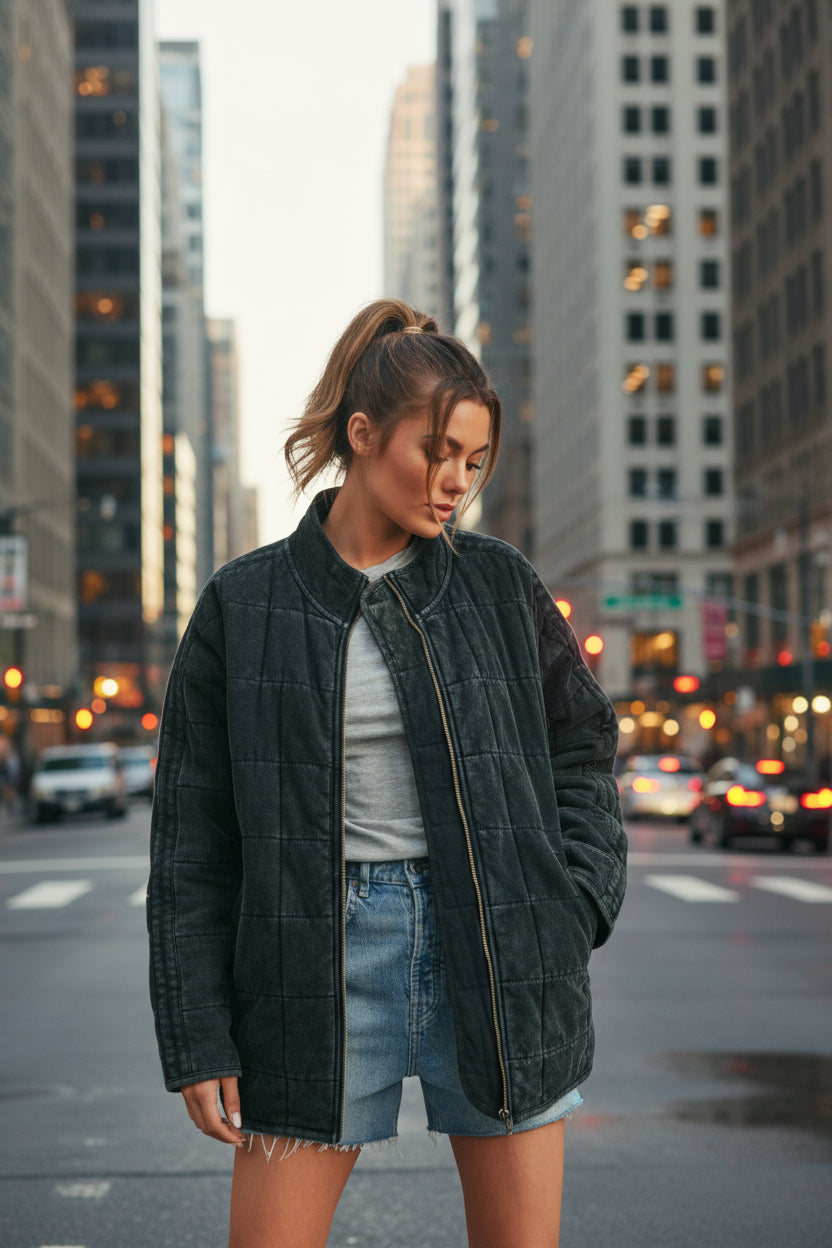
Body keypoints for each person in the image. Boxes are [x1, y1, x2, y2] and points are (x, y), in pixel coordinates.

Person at [148, 299, 627, 1248]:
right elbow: (192, 837)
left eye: (474, 462)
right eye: (436, 450)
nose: (455, 483)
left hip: (500, 953)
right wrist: (197, 1033)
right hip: (310, 968)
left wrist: (570, 905)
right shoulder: (245, 604)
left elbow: (583, 750)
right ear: (362, 436)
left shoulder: (498, 585)